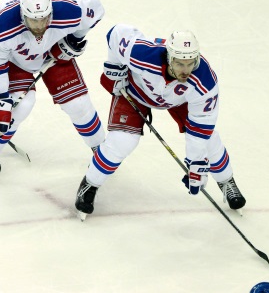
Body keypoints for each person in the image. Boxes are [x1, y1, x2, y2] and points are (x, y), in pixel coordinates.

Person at [74, 23, 246, 219]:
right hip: (135, 93)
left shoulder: (205, 82)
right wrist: (115, 66)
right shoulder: (143, 54)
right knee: (122, 143)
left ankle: (226, 181)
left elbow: (201, 129)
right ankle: (90, 183)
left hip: (178, 101)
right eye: (180, 63)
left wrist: (196, 164)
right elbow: (115, 34)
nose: (186, 70)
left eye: (191, 63)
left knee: (209, 142)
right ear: (169, 57)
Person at [0, 0, 106, 180]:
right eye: (33, 20)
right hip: (15, 62)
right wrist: (1, 96)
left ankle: (101, 150)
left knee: (78, 104)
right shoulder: (3, 27)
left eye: (44, 19)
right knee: (20, 106)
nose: (39, 26)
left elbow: (95, 8)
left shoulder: (66, 12)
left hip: (53, 55)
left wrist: (73, 38)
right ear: (23, 15)